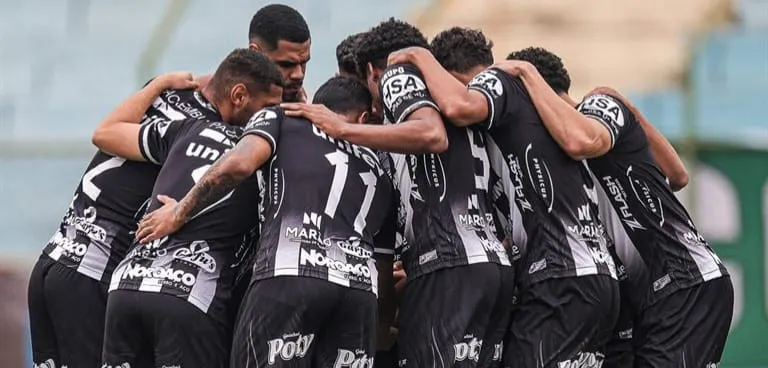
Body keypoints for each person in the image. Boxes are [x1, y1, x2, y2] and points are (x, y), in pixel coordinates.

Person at [283, 20, 514, 368]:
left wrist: (344, 129)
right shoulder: (456, 101)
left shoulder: (399, 74)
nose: (376, 108)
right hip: (491, 265)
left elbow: (431, 135)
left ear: (374, 72)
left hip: (447, 265)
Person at [388, 31, 620, 367]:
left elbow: (457, 105)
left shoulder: (500, 92)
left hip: (559, 274)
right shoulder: (542, 123)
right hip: (590, 273)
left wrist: (419, 56)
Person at [137, 75, 397, 368]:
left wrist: (178, 213)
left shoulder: (283, 118)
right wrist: (382, 330)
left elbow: (238, 164)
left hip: (289, 275)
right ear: (363, 117)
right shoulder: (382, 172)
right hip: (359, 294)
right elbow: (384, 278)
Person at [503, 46, 733, 368]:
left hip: (683, 280)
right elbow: (678, 174)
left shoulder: (593, 113)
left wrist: (524, 73)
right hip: (644, 295)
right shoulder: (549, 150)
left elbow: (676, 174)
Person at [92, 48, 283, 368]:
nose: (272, 116)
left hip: (126, 287)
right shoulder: (266, 154)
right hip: (190, 294)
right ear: (239, 96)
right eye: (268, 108)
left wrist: (157, 85)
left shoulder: (187, 129)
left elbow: (106, 133)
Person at [26, 74, 221, 368]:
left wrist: (159, 82)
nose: (297, 75)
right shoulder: (210, 132)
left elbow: (104, 132)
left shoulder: (166, 93)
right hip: (90, 276)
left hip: (53, 258)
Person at [248, 3, 311, 102]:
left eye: (303, 63)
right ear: (255, 54)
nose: (299, 75)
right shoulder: (220, 112)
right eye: (286, 64)